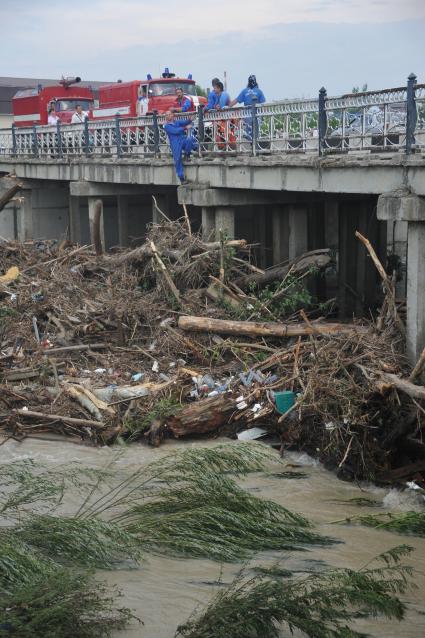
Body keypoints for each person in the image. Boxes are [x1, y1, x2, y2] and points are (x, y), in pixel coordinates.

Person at [163, 111, 197, 183]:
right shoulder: (166, 126)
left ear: (172, 115)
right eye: (166, 115)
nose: (168, 116)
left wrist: (189, 119)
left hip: (182, 139)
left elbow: (184, 122)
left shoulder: (177, 122)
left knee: (189, 139)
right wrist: (185, 128)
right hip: (175, 142)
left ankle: (187, 155)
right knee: (178, 159)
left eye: (169, 114)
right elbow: (175, 131)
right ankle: (181, 178)